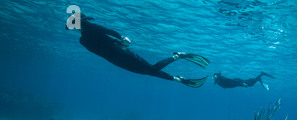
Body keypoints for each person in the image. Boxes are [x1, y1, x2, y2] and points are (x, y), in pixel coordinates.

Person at [70, 14, 210, 88]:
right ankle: (177, 78)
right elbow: (102, 44)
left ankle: (178, 59)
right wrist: (120, 41)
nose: (74, 27)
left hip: (119, 55)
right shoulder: (83, 39)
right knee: (148, 71)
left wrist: (121, 39)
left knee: (151, 69)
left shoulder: (88, 31)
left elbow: (106, 32)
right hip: (117, 58)